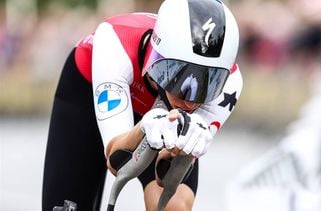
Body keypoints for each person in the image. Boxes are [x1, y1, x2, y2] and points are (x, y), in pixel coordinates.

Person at [42, 0, 243, 210]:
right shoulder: (114, 43)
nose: (190, 101)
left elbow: (165, 176)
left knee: (173, 206)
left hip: (160, 114)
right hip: (85, 95)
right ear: (157, 57)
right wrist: (143, 128)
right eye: (181, 79)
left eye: (208, 84)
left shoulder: (231, 83)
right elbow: (116, 161)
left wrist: (183, 152)